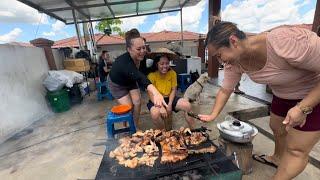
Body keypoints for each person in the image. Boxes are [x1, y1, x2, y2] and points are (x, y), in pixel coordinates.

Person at [198, 21, 320, 180]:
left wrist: (303, 107)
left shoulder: (284, 41)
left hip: (313, 95)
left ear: (233, 41)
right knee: (277, 127)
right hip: (282, 92)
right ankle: (277, 158)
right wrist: (213, 115)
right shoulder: (234, 62)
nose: (221, 61)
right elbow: (225, 89)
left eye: (219, 55)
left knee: (296, 150)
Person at [108, 28, 167, 129]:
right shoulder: (124, 63)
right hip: (117, 84)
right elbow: (140, 78)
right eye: (138, 49)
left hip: (131, 80)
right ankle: (128, 127)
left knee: (138, 102)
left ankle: (134, 125)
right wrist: (156, 93)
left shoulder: (142, 57)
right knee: (129, 107)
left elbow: (144, 73)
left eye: (144, 48)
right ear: (129, 49)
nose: (142, 51)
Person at [146, 48, 195, 130]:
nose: (165, 66)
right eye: (162, 64)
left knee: (187, 105)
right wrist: (160, 106)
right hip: (156, 100)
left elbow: (173, 90)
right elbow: (151, 95)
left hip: (170, 98)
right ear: (156, 64)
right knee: (155, 114)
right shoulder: (151, 75)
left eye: (167, 63)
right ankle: (163, 134)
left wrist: (169, 104)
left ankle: (194, 130)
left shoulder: (172, 73)